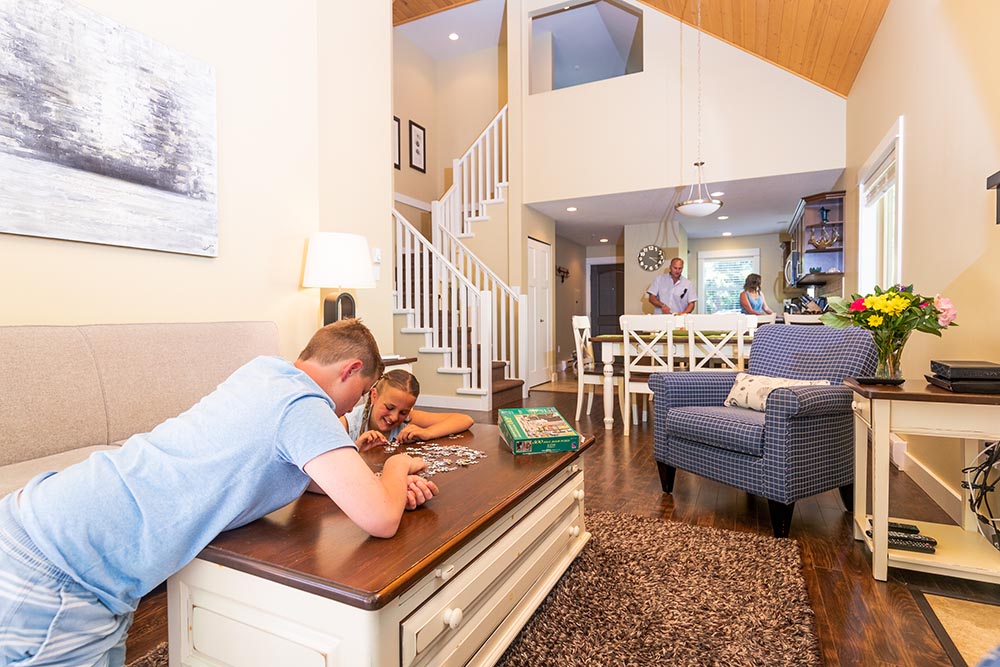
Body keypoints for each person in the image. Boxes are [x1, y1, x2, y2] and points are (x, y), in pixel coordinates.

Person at [0, 319, 438, 667]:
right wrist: (396, 468)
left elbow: (321, 480)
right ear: (350, 370)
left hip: (46, 523)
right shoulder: (304, 405)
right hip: (60, 572)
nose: (351, 407)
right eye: (358, 395)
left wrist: (380, 488)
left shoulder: (263, 373)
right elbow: (380, 519)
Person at [343, 369, 474, 449]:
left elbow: (465, 420)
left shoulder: (408, 419)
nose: (394, 417)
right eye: (389, 407)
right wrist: (357, 449)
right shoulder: (347, 424)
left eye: (403, 412)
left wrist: (428, 432)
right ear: (374, 396)